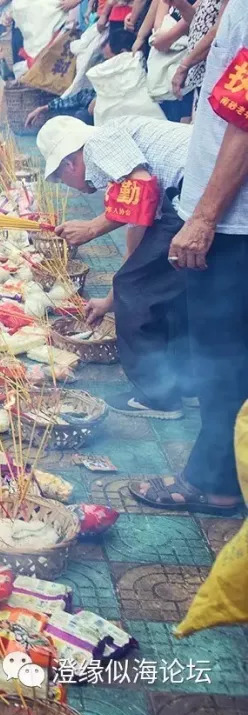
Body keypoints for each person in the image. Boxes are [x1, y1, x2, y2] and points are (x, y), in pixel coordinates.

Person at [129, 0, 248, 515]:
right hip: (226, 214)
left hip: (233, 221)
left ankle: (214, 481)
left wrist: (203, 218)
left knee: (222, 358)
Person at [38, 115, 194, 420]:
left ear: (69, 163)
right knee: (165, 287)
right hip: (196, 193)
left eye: (60, 178)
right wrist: (112, 298)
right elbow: (139, 230)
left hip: (193, 194)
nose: (67, 185)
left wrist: (92, 228)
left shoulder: (99, 143)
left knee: (140, 290)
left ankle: (158, 397)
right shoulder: (118, 156)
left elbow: (143, 186)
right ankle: (188, 384)